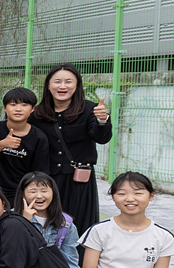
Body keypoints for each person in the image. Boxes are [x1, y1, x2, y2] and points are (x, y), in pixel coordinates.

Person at [31, 63, 113, 230]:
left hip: (79, 181)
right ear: (48, 85)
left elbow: (101, 138)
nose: (62, 86)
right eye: (57, 81)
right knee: (46, 224)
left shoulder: (90, 109)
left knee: (79, 225)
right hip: (46, 180)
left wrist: (102, 120)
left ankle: (79, 256)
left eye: (68, 81)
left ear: (77, 85)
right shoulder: (37, 113)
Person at [0, 87, 50, 203]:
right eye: (13, 104)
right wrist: (1, 144)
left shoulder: (39, 137)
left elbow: (39, 173)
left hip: (20, 194)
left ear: (32, 109)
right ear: (5, 108)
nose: (18, 109)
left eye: (24, 105)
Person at [15, 171, 82, 268]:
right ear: (23, 194)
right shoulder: (11, 219)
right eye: (33, 191)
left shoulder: (66, 223)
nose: (39, 196)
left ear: (53, 193)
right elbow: (13, 255)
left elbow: (70, 262)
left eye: (44, 191)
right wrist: (25, 222)